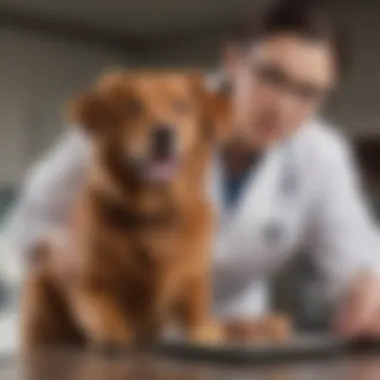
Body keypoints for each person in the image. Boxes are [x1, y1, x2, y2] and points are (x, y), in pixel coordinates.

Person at [5, 0, 380, 338]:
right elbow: (28, 219)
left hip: (227, 338)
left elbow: (357, 258)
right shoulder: (138, 110)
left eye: (307, 92)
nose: (282, 106)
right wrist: (54, 249)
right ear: (234, 60)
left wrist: (366, 291)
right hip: (116, 333)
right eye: (271, 76)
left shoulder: (322, 155)